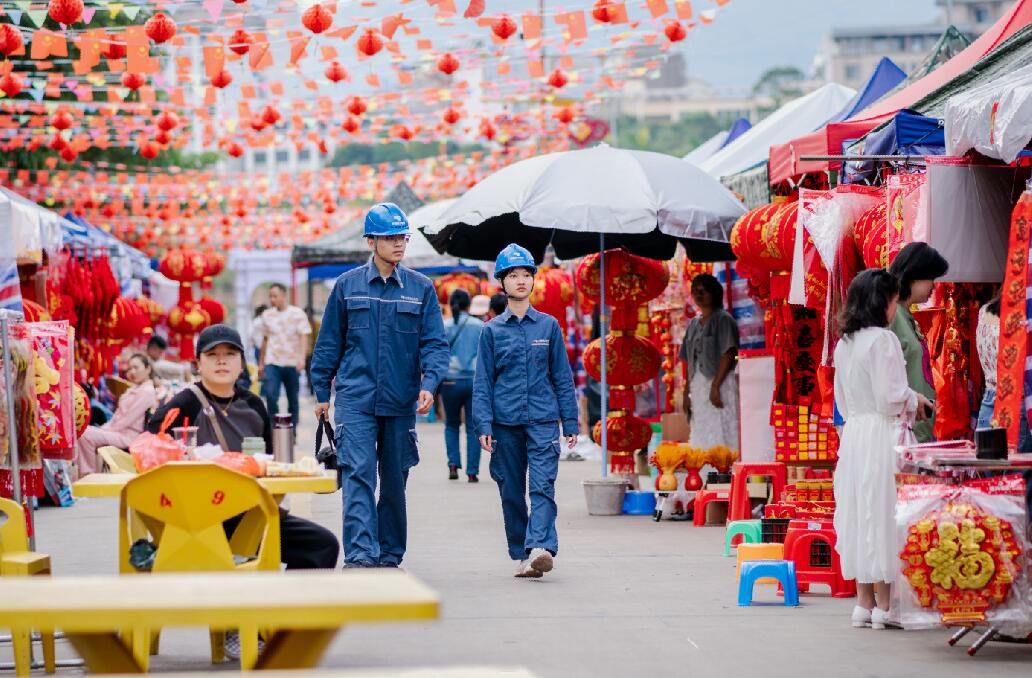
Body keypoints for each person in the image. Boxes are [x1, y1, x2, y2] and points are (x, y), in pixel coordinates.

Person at [310, 202, 449, 569]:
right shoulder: (347, 286)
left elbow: (435, 344)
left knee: (393, 481)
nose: (399, 244)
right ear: (372, 241)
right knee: (357, 475)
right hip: (355, 399)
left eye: (402, 237)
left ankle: (389, 554)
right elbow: (328, 343)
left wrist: (429, 384)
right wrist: (322, 393)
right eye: (390, 238)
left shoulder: (421, 290)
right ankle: (360, 554)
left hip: (401, 401)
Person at [147, 325, 340, 570]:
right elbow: (150, 442)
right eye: (212, 355)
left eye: (229, 354)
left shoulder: (253, 405)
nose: (221, 361)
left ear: (241, 363)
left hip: (249, 513)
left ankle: (289, 607)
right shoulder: (185, 403)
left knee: (322, 546)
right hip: (197, 516)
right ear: (198, 364)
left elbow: (271, 463)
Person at [832, 270, 934, 630]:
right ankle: (885, 606)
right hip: (881, 433)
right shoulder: (883, 341)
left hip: (856, 435)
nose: (895, 307)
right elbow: (891, 398)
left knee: (860, 512)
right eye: (893, 300)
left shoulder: (843, 344)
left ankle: (863, 603)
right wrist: (916, 398)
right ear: (883, 301)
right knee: (885, 512)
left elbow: (842, 402)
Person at [473, 244, 579, 579]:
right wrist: (483, 424)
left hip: (543, 420)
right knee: (511, 490)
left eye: (526, 275)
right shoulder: (491, 331)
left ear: (534, 281)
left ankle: (541, 547)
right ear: (501, 283)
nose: (521, 281)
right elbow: (483, 382)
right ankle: (522, 553)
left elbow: (562, 376)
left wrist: (570, 419)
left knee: (543, 485)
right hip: (504, 423)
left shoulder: (548, 327)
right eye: (513, 276)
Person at [888, 242, 949, 442]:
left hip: (918, 427)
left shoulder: (906, 316)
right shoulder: (892, 316)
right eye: (931, 278)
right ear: (913, 276)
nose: (934, 285)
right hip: (906, 430)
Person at [680, 274, 740, 451]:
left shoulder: (724, 319)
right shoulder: (692, 324)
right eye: (695, 290)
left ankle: (725, 467)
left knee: (721, 424)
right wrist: (686, 392)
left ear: (714, 293)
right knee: (701, 427)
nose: (699, 294)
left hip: (720, 383)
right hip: (698, 385)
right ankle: (703, 470)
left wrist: (715, 386)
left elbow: (729, 353)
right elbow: (688, 360)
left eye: (704, 290)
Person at [74, 353, 158, 477]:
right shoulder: (134, 389)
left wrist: (104, 431)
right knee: (85, 432)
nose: (132, 372)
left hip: (128, 436)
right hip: (118, 431)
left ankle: (87, 474)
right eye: (129, 369)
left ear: (148, 369)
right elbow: (117, 418)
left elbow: (127, 420)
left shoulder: (147, 392)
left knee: (86, 434)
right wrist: (103, 430)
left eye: (136, 367)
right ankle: (86, 473)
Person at [441, 289, 485, 482]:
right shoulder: (479, 325)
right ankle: (472, 471)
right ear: (469, 305)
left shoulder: (444, 325)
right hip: (475, 381)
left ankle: (452, 464)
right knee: (473, 427)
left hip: (450, 380)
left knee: (451, 424)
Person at [258, 283, 310, 434]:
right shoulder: (267, 315)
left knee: (292, 398)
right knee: (271, 396)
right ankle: (273, 429)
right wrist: (261, 363)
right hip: (272, 361)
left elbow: (303, 338)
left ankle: (291, 430)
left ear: (284, 295)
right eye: (270, 296)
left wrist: (302, 358)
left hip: (292, 363)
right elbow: (265, 340)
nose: (272, 299)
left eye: (275, 296)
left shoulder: (298, 314)